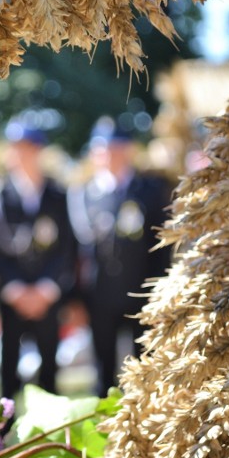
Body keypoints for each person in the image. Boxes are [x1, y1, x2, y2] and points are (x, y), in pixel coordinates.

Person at [68, 118, 172, 396]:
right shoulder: (83, 194)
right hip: (99, 296)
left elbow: (163, 243)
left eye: (117, 147)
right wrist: (75, 298)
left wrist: (159, 291)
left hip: (142, 295)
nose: (111, 154)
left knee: (144, 370)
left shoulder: (149, 190)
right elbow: (78, 251)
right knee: (102, 373)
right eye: (104, 148)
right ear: (94, 153)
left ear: (128, 150)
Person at [0, 121, 76, 399]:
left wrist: (47, 289)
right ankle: (7, 432)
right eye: (17, 149)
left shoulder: (59, 195)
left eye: (29, 149)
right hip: (12, 295)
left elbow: (67, 247)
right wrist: (14, 288)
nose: (22, 156)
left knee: (50, 367)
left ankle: (51, 433)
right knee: (8, 367)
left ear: (40, 152)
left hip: (48, 295)